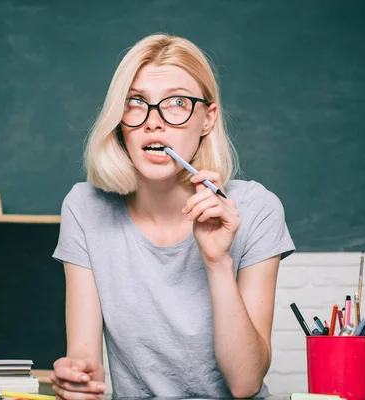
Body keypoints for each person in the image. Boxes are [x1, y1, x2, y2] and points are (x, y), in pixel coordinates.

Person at [51, 33, 295, 399]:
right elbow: (86, 360)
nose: (154, 121)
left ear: (208, 119)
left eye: (178, 103)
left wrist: (217, 261)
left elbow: (245, 384)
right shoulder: (85, 208)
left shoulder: (258, 209)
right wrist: (77, 379)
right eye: (136, 102)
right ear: (120, 119)